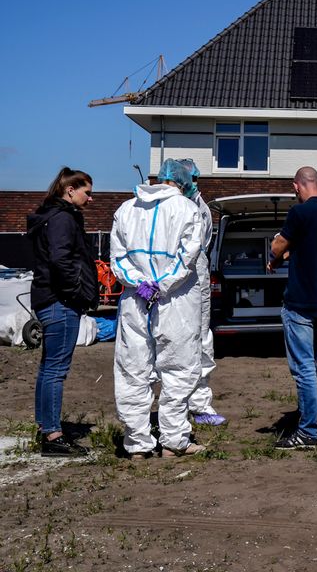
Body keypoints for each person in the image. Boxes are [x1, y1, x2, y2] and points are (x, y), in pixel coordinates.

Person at [111, 159, 205, 459]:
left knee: (132, 370)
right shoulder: (188, 210)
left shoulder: (126, 209)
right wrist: (162, 285)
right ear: (183, 183)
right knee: (178, 369)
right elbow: (187, 257)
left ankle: (137, 444)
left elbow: (118, 258)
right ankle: (174, 441)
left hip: (135, 301)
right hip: (176, 301)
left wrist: (141, 284)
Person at [269, 167, 317, 450]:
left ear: (297, 186)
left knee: (304, 369)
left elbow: (277, 247)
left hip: (300, 302)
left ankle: (307, 432)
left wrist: (277, 252)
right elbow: (312, 247)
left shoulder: (298, 213)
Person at [26, 168, 97, 457]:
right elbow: (61, 259)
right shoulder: (63, 219)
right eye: (87, 192)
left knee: (48, 368)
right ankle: (53, 436)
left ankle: (46, 427)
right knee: (56, 370)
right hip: (60, 301)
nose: (90, 199)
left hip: (48, 298)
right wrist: (76, 292)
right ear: (70, 190)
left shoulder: (49, 216)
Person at [180, 160, 226, 426]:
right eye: (190, 178)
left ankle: (198, 405)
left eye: (196, 178)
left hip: (196, 276)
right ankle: (174, 405)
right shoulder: (170, 207)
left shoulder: (201, 209)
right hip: (173, 281)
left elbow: (201, 244)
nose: (193, 184)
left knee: (200, 340)